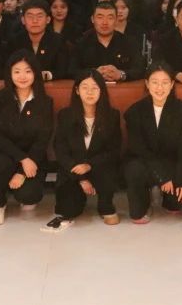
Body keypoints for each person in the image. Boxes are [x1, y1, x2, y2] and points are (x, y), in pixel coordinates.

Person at [43, 69, 123, 231]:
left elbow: (114, 150)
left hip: (99, 167)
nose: (90, 92)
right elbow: (61, 149)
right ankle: (78, 195)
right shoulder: (65, 115)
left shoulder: (112, 115)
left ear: (102, 91)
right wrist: (81, 178)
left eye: (95, 88)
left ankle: (105, 204)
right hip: (73, 169)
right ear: (77, 90)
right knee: (68, 211)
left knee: (108, 171)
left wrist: (89, 165)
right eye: (85, 87)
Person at [0, 51, 53, 224]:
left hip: (34, 157)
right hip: (6, 154)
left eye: (28, 71)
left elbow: (43, 139)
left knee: (29, 197)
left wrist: (22, 171)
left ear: (35, 73)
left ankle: (21, 190)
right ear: (9, 73)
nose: (22, 76)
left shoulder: (45, 101)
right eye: (17, 71)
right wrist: (22, 158)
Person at [122, 63, 182, 223]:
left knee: (181, 201)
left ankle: (165, 197)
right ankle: (145, 198)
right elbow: (140, 150)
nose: (159, 88)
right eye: (155, 82)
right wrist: (162, 177)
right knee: (134, 169)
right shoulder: (134, 112)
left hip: (170, 161)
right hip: (144, 162)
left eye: (165, 82)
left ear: (172, 84)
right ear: (147, 84)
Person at [73, 1, 146, 81]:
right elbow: (71, 71)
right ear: (92, 19)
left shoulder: (130, 43)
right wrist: (92, 73)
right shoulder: (81, 43)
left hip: (120, 88)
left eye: (110, 18)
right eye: (100, 17)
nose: (105, 22)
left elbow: (140, 69)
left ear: (116, 20)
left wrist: (121, 74)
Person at [6, 0, 69, 80]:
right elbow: (7, 69)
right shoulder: (14, 41)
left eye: (39, 16)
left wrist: (47, 75)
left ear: (48, 20)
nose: (35, 21)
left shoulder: (58, 41)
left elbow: (63, 70)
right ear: (23, 20)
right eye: (30, 16)